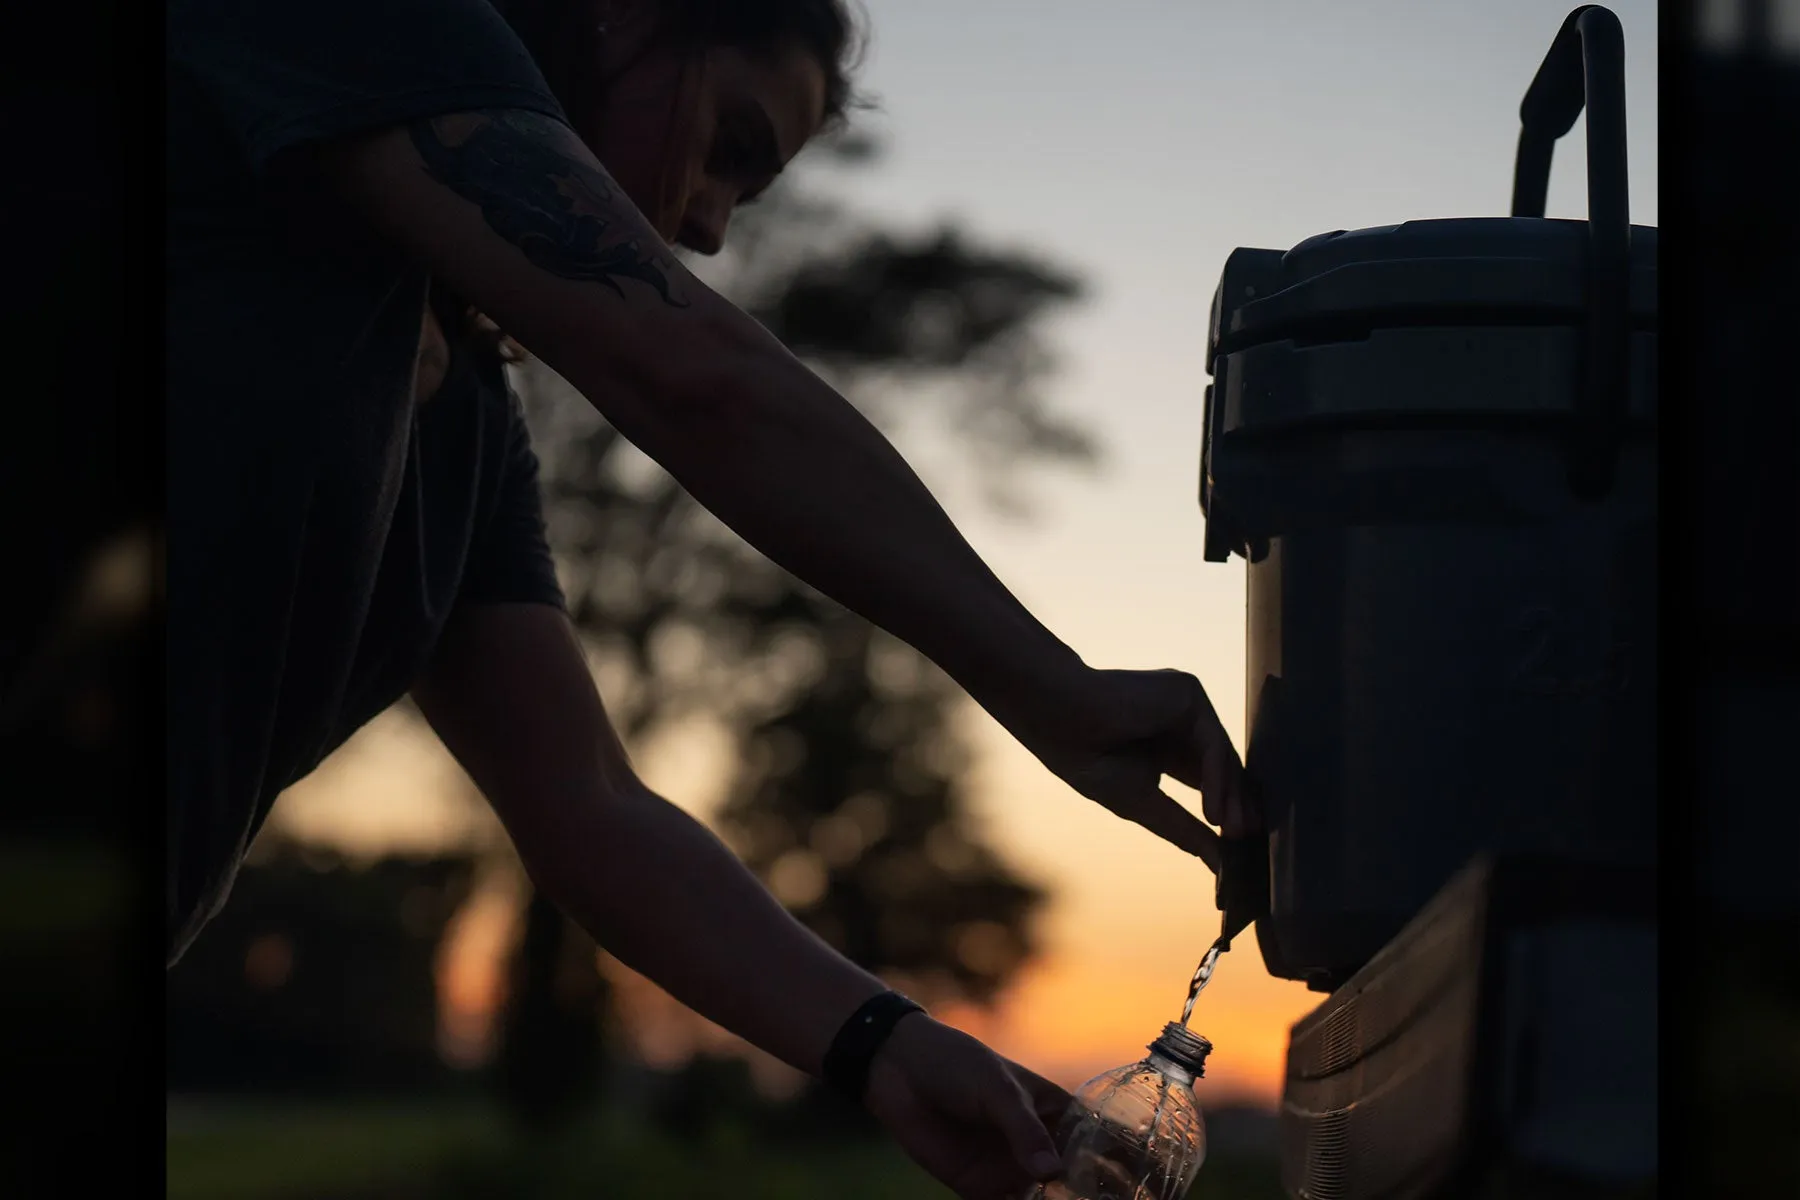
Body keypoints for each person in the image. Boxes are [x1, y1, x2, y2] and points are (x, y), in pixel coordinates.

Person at [166, 0, 1256, 1195]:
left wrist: (882, 1044)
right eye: (732, 144)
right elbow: (696, 375)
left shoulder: (469, 431)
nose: (711, 229)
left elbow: (587, 803)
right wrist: (1051, 687)